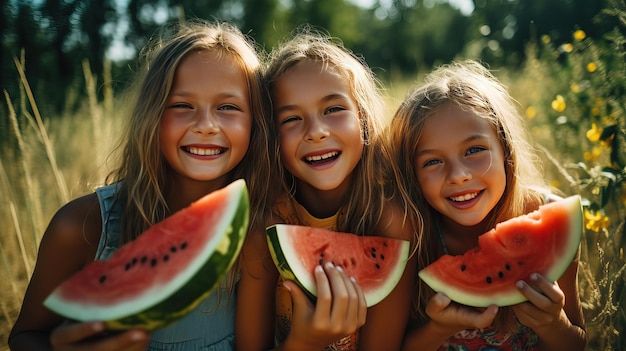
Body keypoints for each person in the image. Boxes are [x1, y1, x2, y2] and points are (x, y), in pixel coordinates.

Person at [8, 19, 274, 351]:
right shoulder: (81, 226)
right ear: (152, 116)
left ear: (256, 123)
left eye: (227, 107)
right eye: (181, 105)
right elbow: (24, 336)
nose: (206, 125)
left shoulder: (254, 233)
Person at [235, 27, 419, 351]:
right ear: (272, 138)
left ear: (363, 118)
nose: (317, 132)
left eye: (334, 110)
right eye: (291, 118)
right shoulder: (265, 221)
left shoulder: (389, 219)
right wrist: (305, 342)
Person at [386, 60, 586, 350]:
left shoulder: (552, 220)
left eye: (474, 150)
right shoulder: (412, 233)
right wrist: (440, 328)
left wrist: (554, 324)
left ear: (505, 149)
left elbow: (576, 342)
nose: (458, 175)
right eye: (432, 162)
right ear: (412, 175)